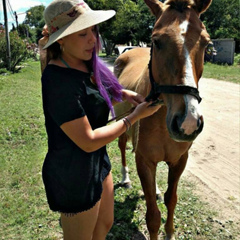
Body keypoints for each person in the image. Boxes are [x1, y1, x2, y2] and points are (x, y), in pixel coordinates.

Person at [40, 0, 161, 239]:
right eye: (82, 33)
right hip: (74, 172)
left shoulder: (84, 65)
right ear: (61, 39)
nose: (92, 39)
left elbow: (94, 101)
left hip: (98, 162)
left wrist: (123, 94)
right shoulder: (58, 80)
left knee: (105, 224)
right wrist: (133, 118)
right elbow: (88, 140)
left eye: (93, 30)